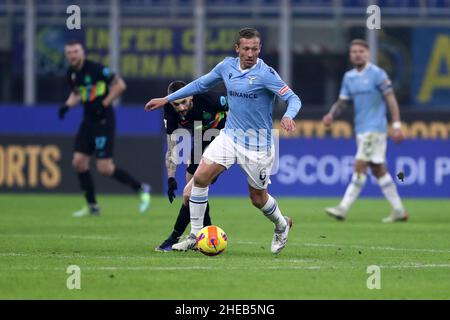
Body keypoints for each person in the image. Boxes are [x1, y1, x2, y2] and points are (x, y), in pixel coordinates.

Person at [145, 28, 302, 254]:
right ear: (237, 48)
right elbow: (200, 84)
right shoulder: (226, 66)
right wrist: (167, 99)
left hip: (257, 144)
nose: (250, 53)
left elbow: (293, 98)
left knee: (257, 199)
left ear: (259, 49)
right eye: (245, 48)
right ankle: (196, 235)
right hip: (229, 136)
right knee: (199, 178)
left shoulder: (266, 74)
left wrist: (288, 115)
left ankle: (281, 224)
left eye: (254, 49)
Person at [60, 40, 151, 217]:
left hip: (103, 121)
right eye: (69, 52)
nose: (72, 55)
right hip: (87, 121)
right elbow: (77, 93)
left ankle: (141, 188)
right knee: (78, 162)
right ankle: (92, 205)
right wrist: (66, 106)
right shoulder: (71, 73)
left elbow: (120, 85)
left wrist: (104, 102)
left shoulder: (97, 69)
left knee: (105, 168)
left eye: (75, 51)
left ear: (82, 52)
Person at [322, 39, 408, 223]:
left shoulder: (378, 74)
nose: (357, 54)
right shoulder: (349, 77)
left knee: (359, 165)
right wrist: (331, 114)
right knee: (378, 170)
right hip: (361, 129)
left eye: (361, 51)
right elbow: (343, 101)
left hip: (375, 128)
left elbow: (391, 99)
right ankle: (399, 210)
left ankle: (343, 208)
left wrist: (397, 125)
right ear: (350, 55)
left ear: (367, 54)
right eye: (354, 51)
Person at [156, 80, 228, 252]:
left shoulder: (209, 99)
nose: (180, 108)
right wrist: (171, 177)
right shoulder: (169, 110)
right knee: (192, 192)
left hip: (224, 140)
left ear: (191, 96)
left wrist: (232, 141)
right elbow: (171, 147)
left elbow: (237, 109)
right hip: (201, 140)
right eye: (176, 104)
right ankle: (207, 236)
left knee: (190, 191)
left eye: (183, 102)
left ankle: (173, 238)